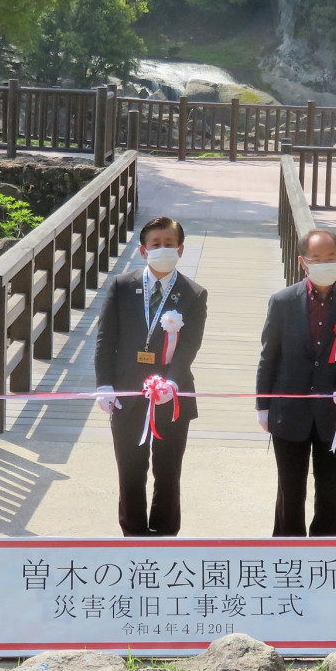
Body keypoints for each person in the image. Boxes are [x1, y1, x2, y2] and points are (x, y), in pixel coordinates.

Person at [256, 229, 336, 536]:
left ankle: (328, 552)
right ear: (303, 262)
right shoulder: (282, 302)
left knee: (332, 491)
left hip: (335, 415)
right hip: (289, 412)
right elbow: (269, 357)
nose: (325, 263)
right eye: (317, 258)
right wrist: (263, 405)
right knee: (290, 491)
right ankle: (286, 552)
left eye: (331, 257)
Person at [94, 216, 208, 536]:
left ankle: (165, 536)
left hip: (173, 398)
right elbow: (106, 340)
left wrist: (172, 381)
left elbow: (189, 346)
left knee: (168, 472)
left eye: (169, 244)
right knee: (130, 472)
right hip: (127, 396)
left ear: (181, 249)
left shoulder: (194, 294)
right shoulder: (122, 286)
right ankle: (133, 537)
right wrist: (104, 384)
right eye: (155, 244)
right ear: (144, 251)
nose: (162, 249)